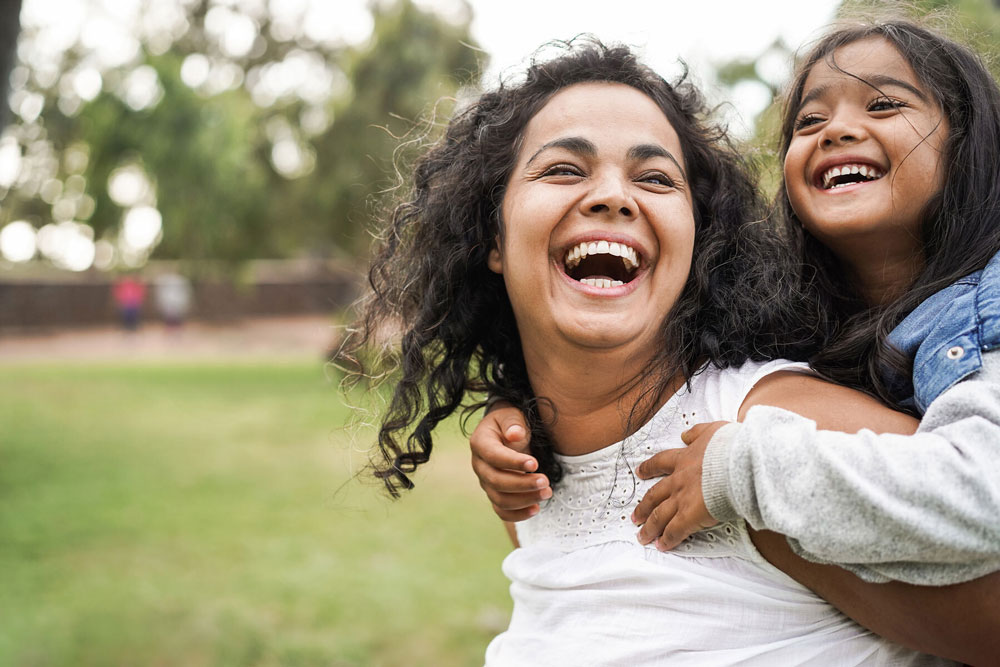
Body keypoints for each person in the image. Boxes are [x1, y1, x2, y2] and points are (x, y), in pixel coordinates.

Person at [347, 39, 997, 664]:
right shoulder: (529, 464)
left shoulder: (770, 437)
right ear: (493, 235)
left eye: (655, 177)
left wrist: (748, 478)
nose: (610, 195)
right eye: (564, 168)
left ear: (697, 243)